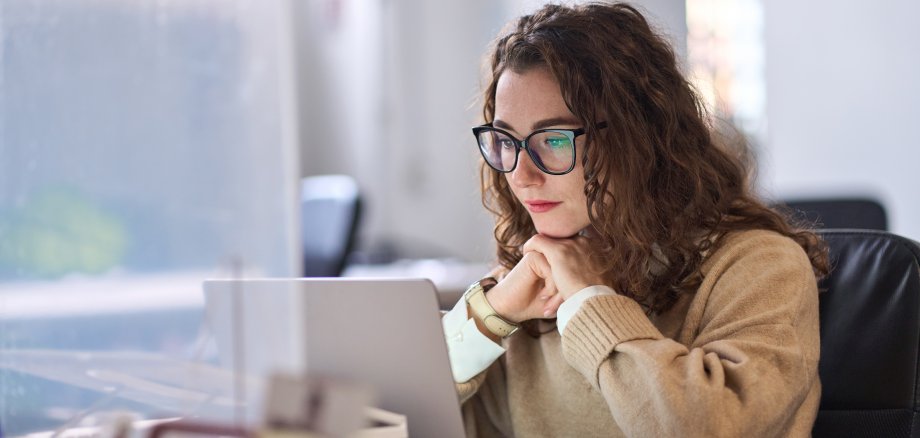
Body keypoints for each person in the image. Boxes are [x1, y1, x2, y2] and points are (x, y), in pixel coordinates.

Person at [440, 2, 829, 437]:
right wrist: (491, 315)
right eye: (506, 141)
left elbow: (705, 427)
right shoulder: (532, 281)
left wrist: (590, 299)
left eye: (553, 139)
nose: (520, 174)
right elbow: (387, 415)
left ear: (639, 138)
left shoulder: (760, 267)